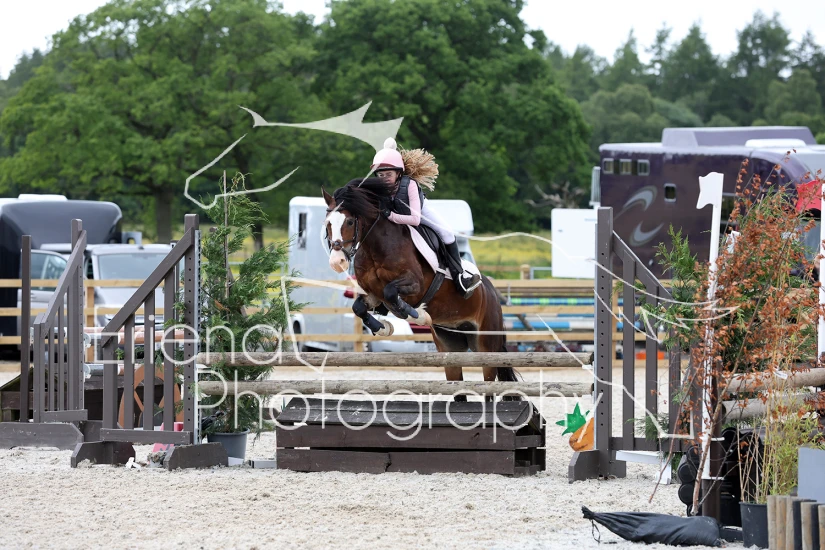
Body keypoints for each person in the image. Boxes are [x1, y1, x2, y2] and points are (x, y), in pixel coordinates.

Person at [371, 137, 482, 299]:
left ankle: (460, 276)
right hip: (400, 222)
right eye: (381, 175)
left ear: (398, 173)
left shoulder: (410, 185)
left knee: (447, 233)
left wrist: (392, 216)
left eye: (389, 174)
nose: (384, 178)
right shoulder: (378, 190)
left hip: (422, 214)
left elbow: (415, 219)